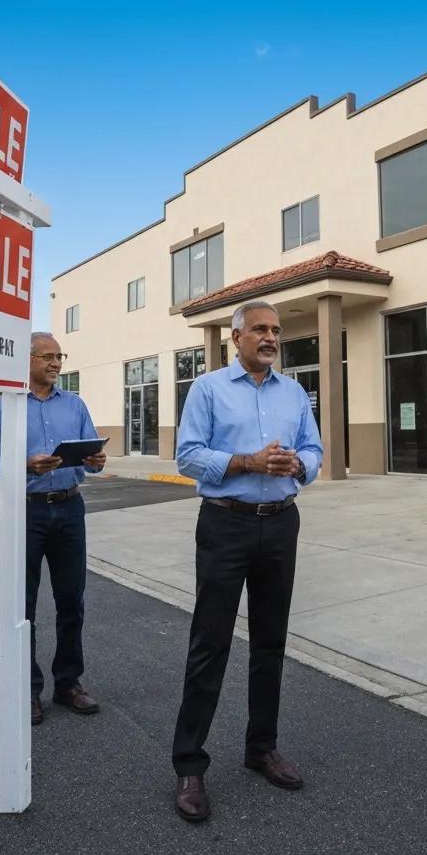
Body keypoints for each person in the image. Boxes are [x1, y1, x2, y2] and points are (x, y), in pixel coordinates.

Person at [170, 300, 323, 823]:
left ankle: (262, 748)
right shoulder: (208, 389)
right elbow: (187, 456)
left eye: (276, 330)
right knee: (210, 643)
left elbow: (315, 451)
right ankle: (190, 765)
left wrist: (297, 462)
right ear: (236, 337)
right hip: (225, 523)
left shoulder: (295, 392)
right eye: (260, 329)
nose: (271, 337)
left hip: (280, 521)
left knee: (271, 642)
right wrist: (246, 462)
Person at [0, 332, 106, 725]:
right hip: (25, 512)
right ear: (27, 359)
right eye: (48, 357)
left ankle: (68, 683)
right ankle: (27, 690)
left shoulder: (75, 404)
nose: (56, 363)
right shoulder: (4, 407)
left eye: (59, 357)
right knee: (23, 606)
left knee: (72, 602)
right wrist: (24, 464)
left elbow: (88, 456)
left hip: (69, 509)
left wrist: (95, 460)